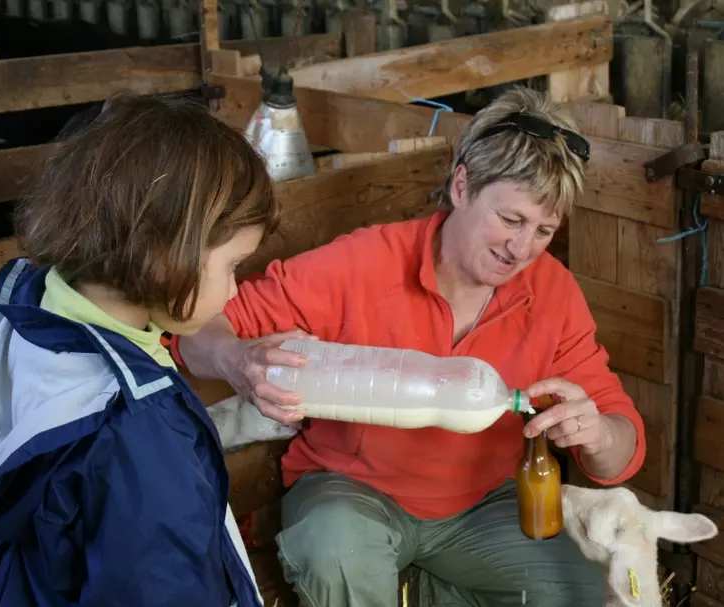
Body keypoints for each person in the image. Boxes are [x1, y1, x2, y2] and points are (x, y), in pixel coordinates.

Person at [171, 86, 647, 607]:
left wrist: (598, 433)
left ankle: (438, 589)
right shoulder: (361, 264)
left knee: (587, 586)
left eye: (544, 230)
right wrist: (234, 359)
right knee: (333, 549)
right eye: (510, 220)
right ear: (462, 186)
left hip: (483, 503)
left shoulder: (553, 293)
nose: (521, 248)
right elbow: (193, 329)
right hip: (353, 492)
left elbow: (621, 450)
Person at [0, 93, 279, 607]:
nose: (234, 291)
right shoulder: (138, 432)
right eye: (232, 265)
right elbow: (167, 585)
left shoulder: (21, 304)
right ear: (164, 254)